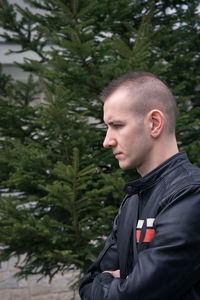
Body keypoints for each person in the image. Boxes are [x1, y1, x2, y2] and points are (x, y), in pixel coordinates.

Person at [79, 71, 200, 300]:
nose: (107, 141)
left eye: (117, 125)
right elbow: (87, 284)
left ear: (154, 123)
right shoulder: (134, 198)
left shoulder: (191, 194)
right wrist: (113, 283)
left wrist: (108, 282)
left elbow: (135, 296)